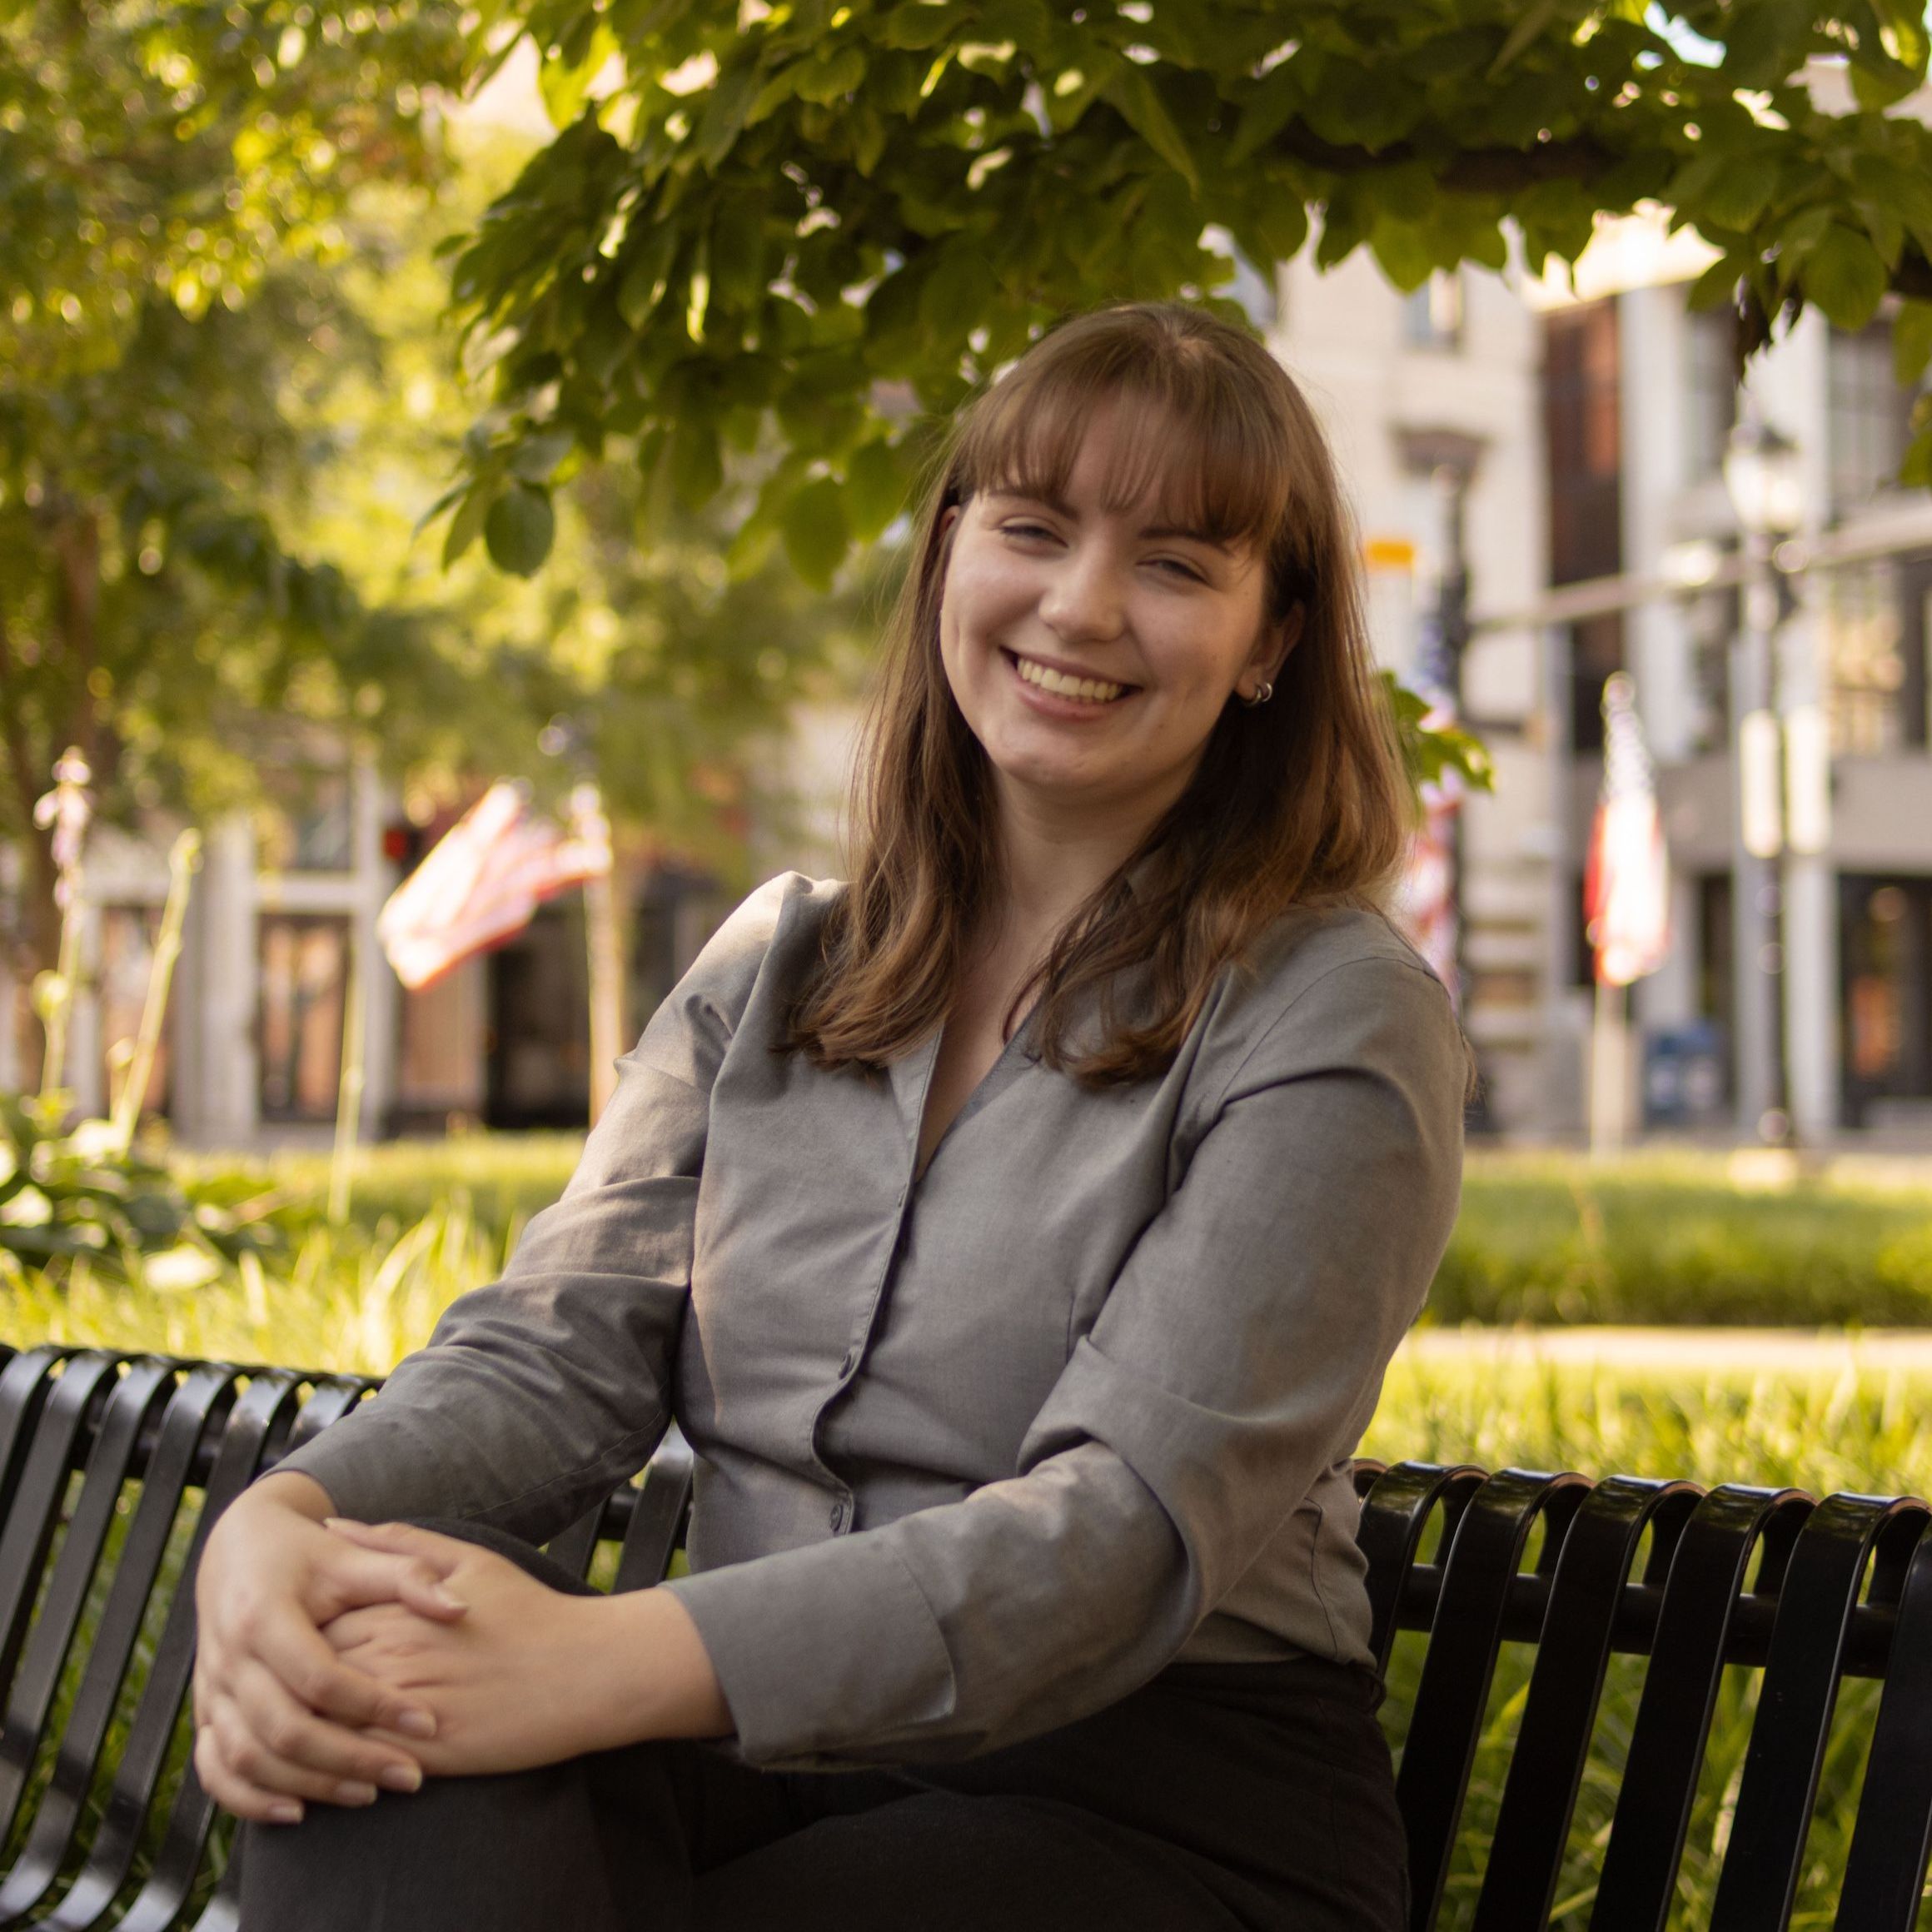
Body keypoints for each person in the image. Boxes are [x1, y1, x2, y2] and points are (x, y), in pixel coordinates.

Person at [194, 300, 1467, 1931]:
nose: (1078, 603)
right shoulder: (773, 961)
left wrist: (588, 1653)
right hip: (751, 1751)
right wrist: (289, 1516)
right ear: (945, 557)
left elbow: (1107, 1542)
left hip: (1149, 1812)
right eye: (1029, 527)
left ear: (1271, 638)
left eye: (1173, 561)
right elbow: (548, 1352)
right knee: (369, 1741)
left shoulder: (1329, 1008)